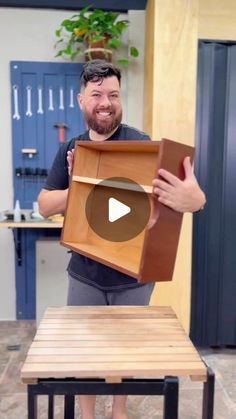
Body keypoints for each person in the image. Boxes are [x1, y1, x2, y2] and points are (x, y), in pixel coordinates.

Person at [38, 59, 206, 419]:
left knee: (123, 352)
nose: (105, 102)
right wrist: (79, 185)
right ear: (81, 99)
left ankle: (118, 411)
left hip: (132, 276)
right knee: (85, 353)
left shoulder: (141, 145)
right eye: (97, 94)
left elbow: (180, 198)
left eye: (113, 94)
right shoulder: (71, 150)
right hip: (84, 272)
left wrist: (195, 200)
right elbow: (43, 205)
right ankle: (86, 414)